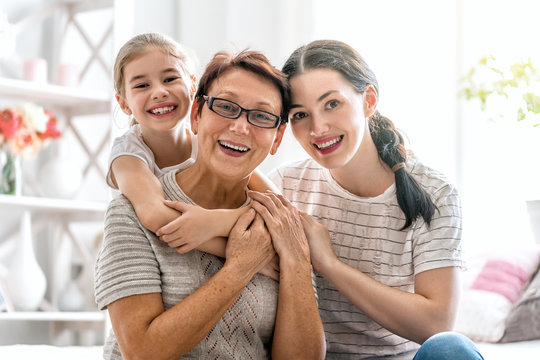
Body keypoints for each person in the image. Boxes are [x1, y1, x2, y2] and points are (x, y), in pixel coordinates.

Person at [251, 39, 483, 359]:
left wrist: (328, 264)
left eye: (332, 104)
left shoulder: (434, 191)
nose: (318, 128)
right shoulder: (284, 184)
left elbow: (437, 323)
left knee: (451, 348)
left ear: (368, 100)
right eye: (301, 114)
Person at [94, 49, 325, 359]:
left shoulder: (282, 223)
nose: (240, 127)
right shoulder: (131, 211)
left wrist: (295, 259)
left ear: (277, 138)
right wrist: (240, 268)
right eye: (227, 107)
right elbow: (143, 352)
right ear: (196, 115)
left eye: (261, 116)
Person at [107, 32, 279, 278]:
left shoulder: (209, 141)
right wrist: (243, 255)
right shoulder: (128, 154)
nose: (159, 92)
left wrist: (217, 221)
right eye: (142, 85)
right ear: (124, 103)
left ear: (192, 87)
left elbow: (277, 205)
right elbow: (155, 215)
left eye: (169, 79)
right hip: (148, 257)